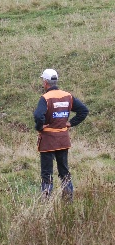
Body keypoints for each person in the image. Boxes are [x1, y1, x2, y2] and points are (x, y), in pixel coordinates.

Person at [34, 69, 89, 202]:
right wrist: (70, 123)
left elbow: (37, 115)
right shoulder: (67, 96)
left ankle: (46, 201)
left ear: (45, 82)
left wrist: (40, 127)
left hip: (48, 141)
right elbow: (83, 110)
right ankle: (68, 199)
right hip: (63, 140)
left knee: (47, 173)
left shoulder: (45, 98)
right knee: (64, 171)